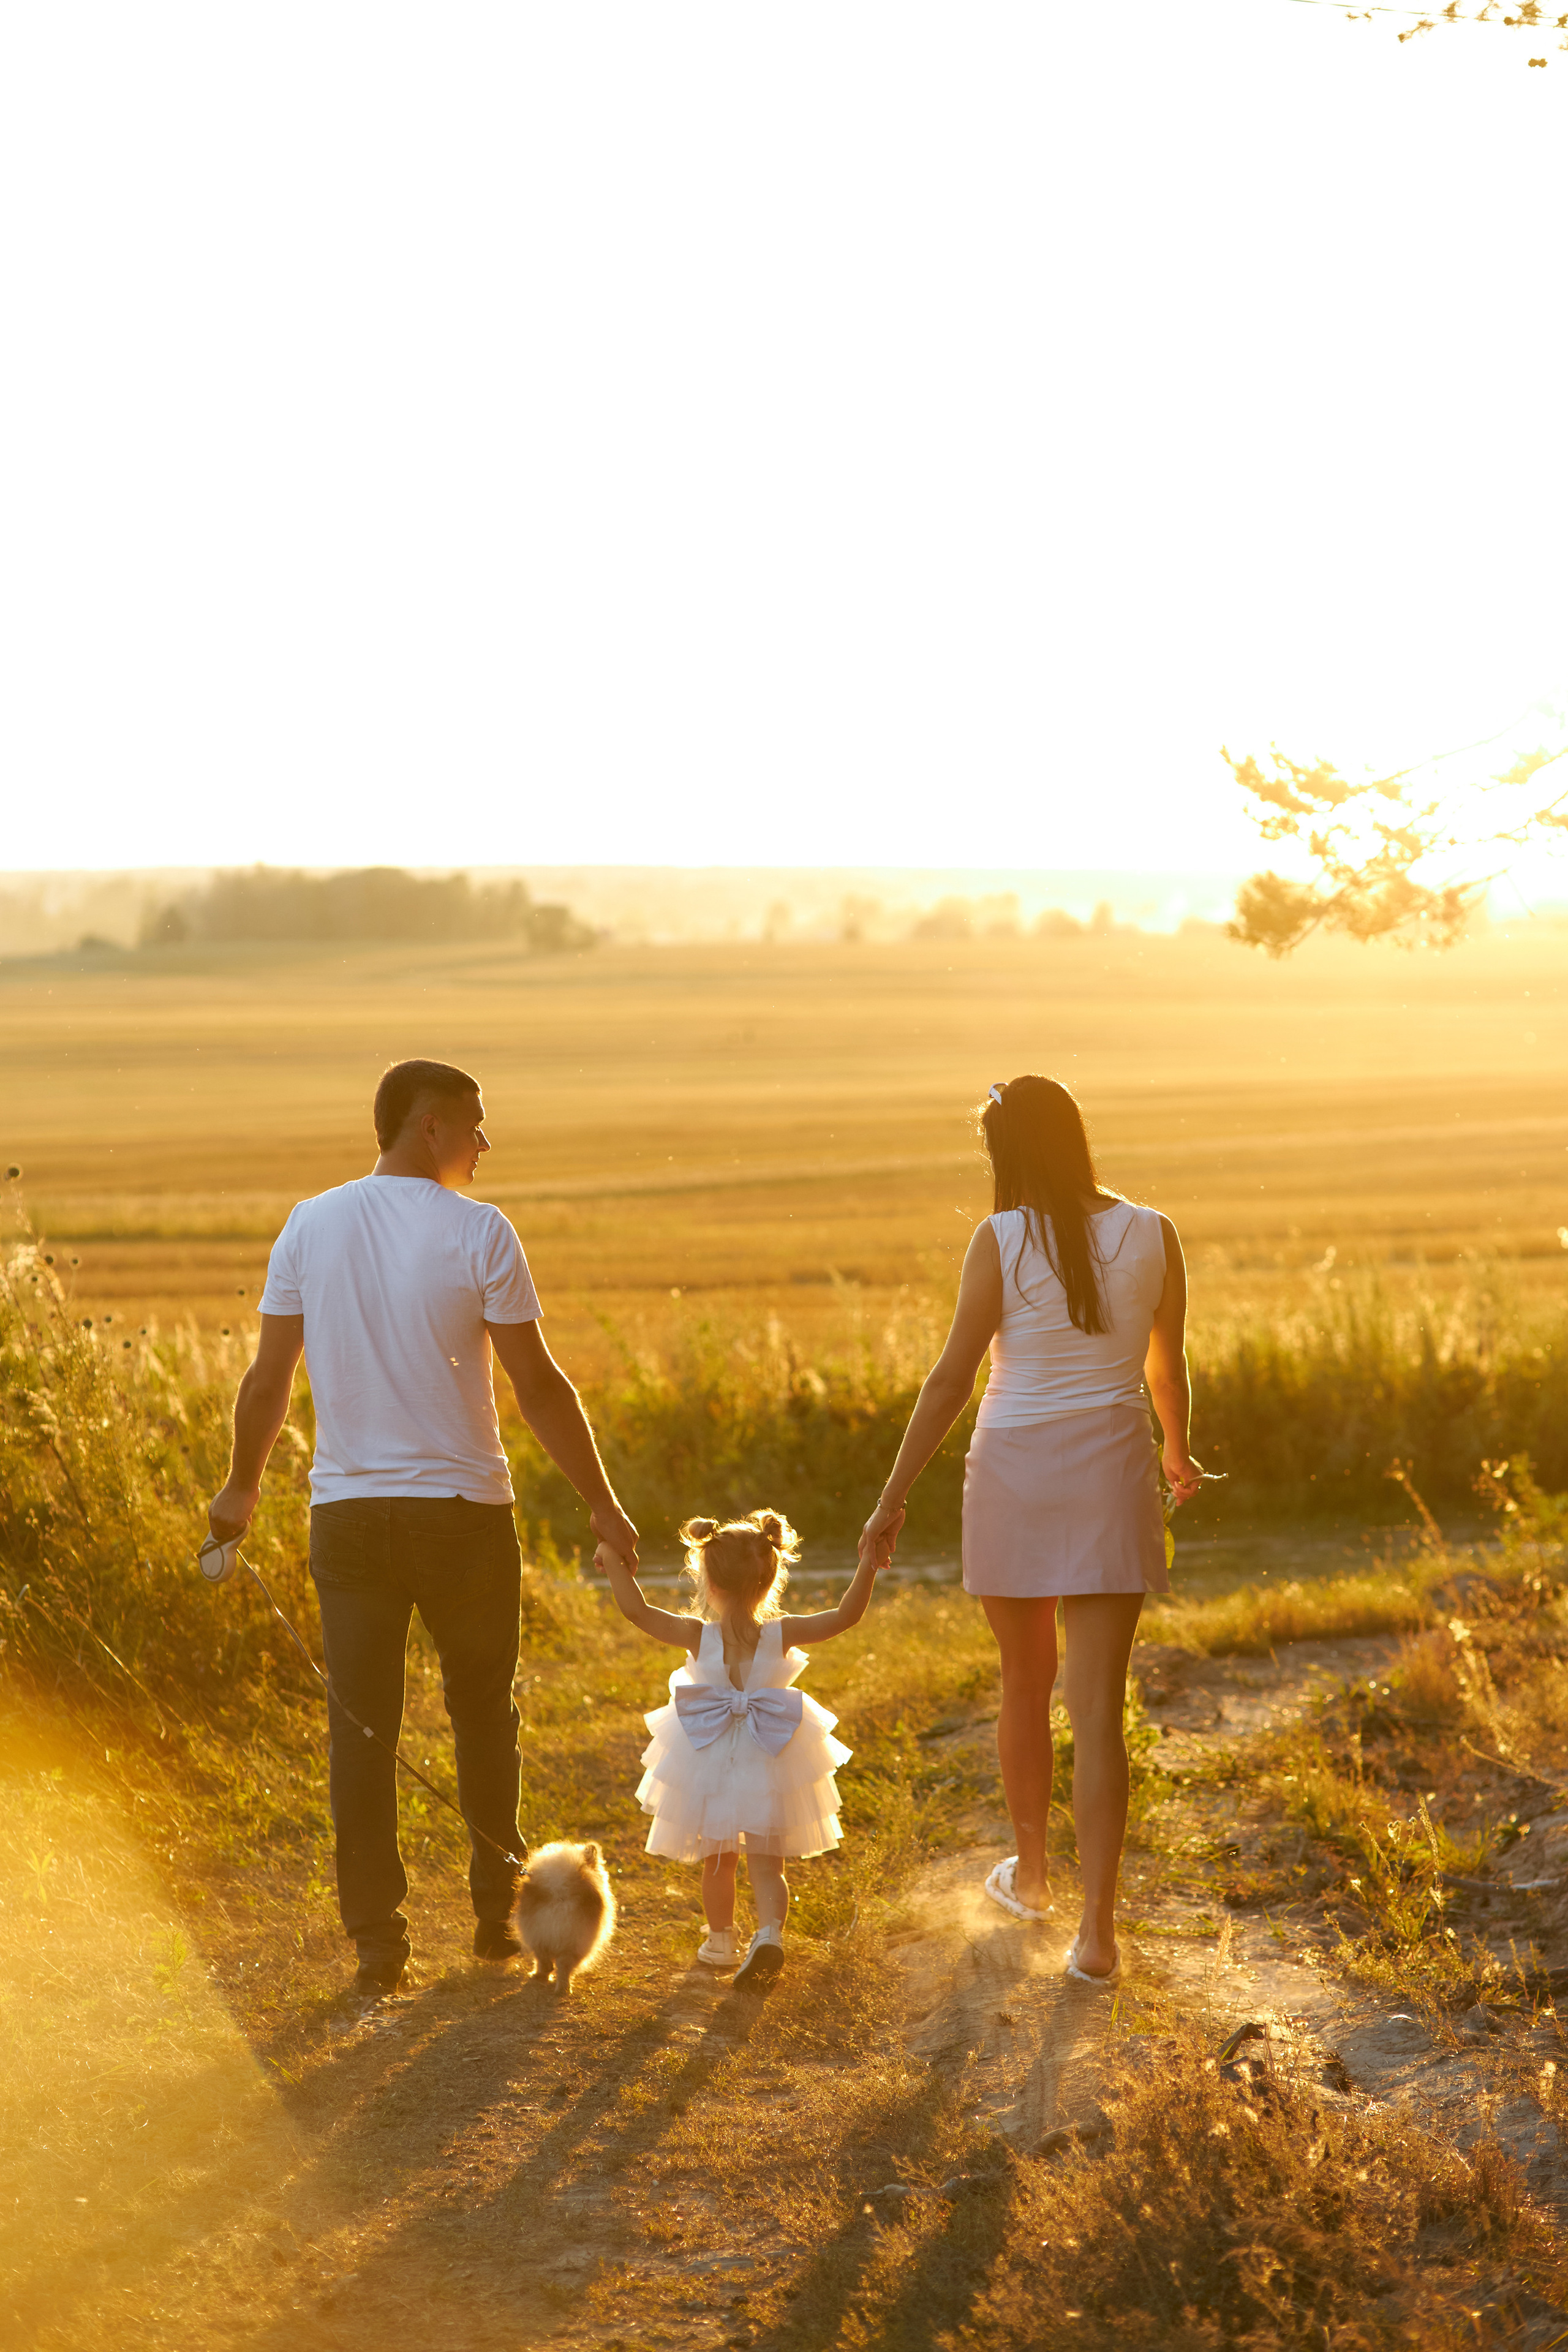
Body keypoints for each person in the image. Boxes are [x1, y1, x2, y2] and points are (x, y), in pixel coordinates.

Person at [206, 1057, 638, 1999]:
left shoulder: (309, 1224)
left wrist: (240, 1490)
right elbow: (539, 1386)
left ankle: (377, 1943)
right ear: (431, 1124)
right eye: (476, 1126)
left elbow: (269, 1380)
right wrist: (603, 1503)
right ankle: (497, 1915)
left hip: (349, 1519)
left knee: (360, 1732)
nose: (485, 1145)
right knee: (484, 1715)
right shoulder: (480, 1232)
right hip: (464, 1517)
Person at [858, 1074, 1202, 1986]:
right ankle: (1097, 1934)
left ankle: (1035, 1876)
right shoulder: (1155, 1232)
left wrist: (891, 1496)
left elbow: (950, 1380)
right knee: (1097, 1714)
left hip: (1013, 1468)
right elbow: (1168, 1370)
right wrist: (1178, 1452)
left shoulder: (1000, 1238)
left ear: (1008, 1152)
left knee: (1024, 1681)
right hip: (1114, 1469)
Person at [597, 1509, 882, 1989]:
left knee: (718, 1858)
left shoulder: (695, 1634)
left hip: (710, 1760)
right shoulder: (783, 1632)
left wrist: (610, 1554)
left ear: (708, 1580)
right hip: (771, 1757)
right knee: (769, 1864)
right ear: (770, 1579)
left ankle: (721, 1940)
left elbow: (638, 1612)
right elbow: (845, 1616)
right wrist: (869, 1562)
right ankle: (769, 1935)